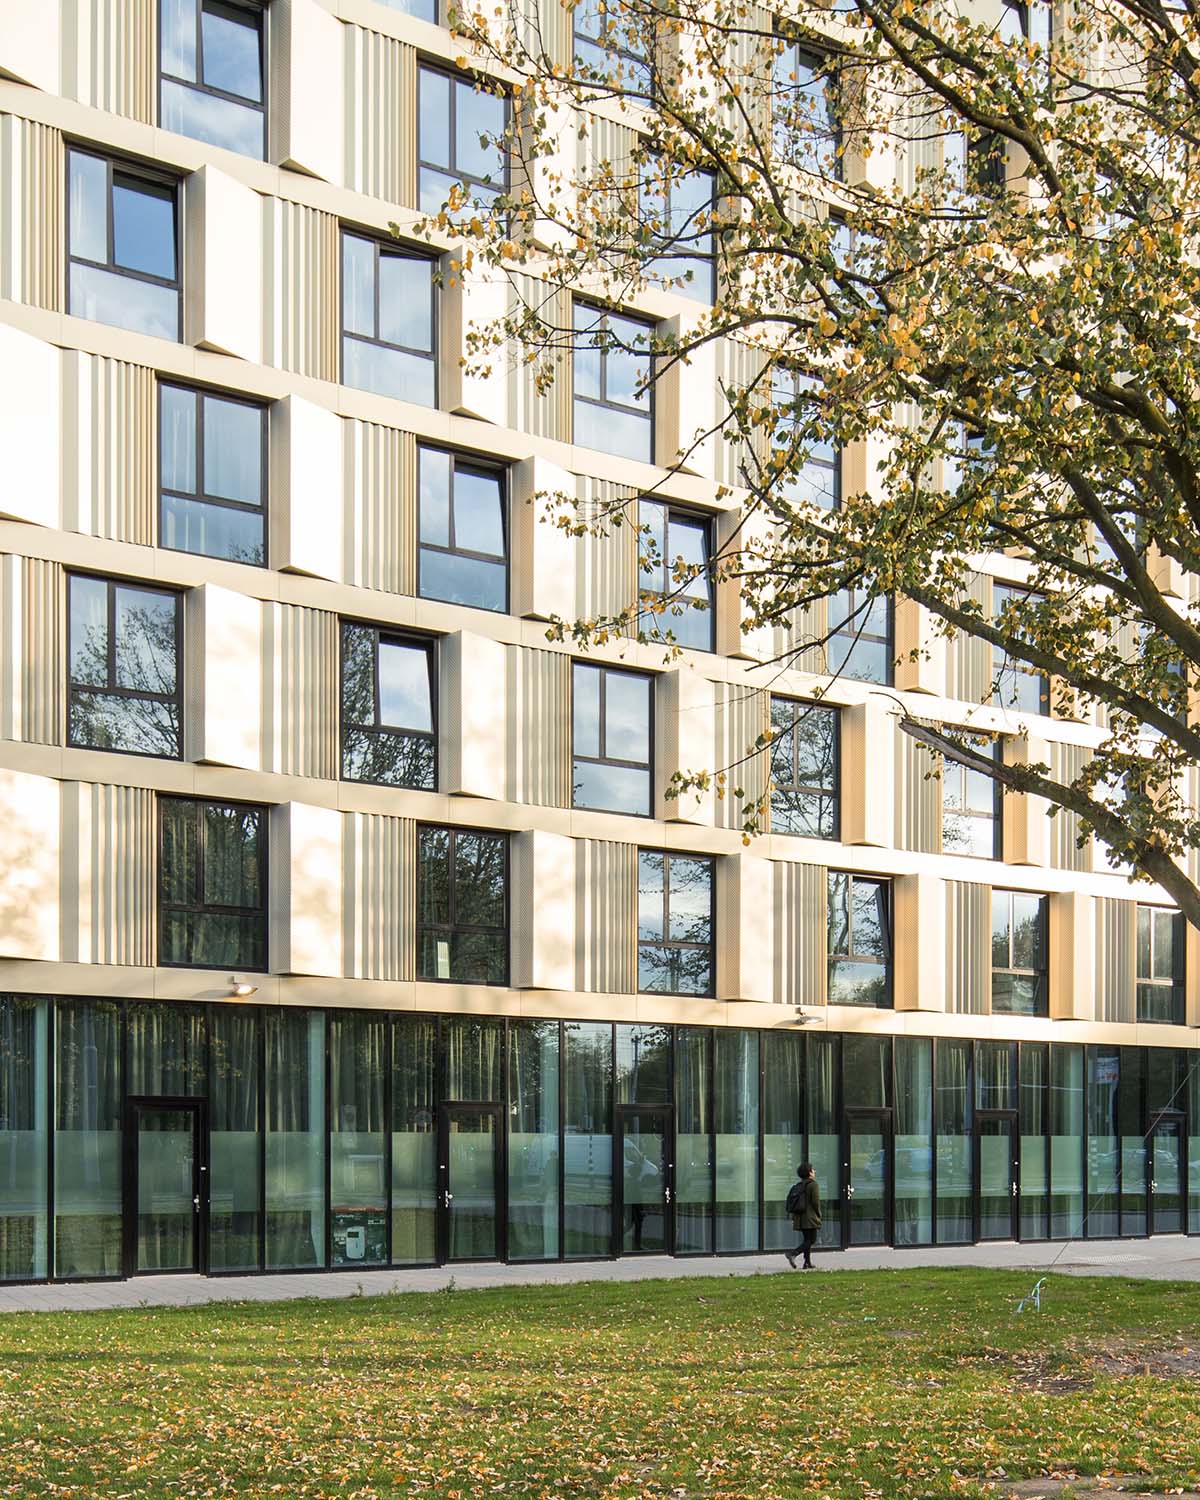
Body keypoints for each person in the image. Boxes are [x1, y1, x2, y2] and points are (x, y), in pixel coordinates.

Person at [784, 1162, 821, 1270]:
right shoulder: (813, 1184)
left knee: (807, 1239)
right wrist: (819, 1214)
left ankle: (807, 1263)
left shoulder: (800, 1185)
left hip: (800, 1217)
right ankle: (793, 1254)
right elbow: (815, 1202)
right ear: (809, 1172)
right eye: (813, 1170)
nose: (814, 1171)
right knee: (811, 1240)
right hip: (810, 1217)